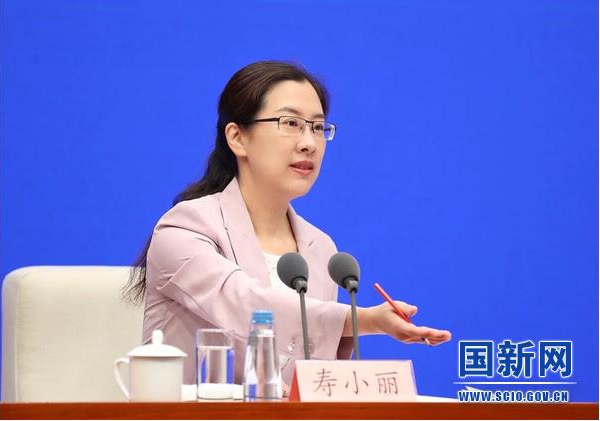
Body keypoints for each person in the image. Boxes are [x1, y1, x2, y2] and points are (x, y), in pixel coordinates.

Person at [123, 60, 451, 387]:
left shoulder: (321, 249)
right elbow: (247, 305)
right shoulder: (184, 229)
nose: (309, 143)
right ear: (237, 138)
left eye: (318, 127)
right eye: (291, 123)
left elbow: (315, 378)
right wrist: (364, 320)